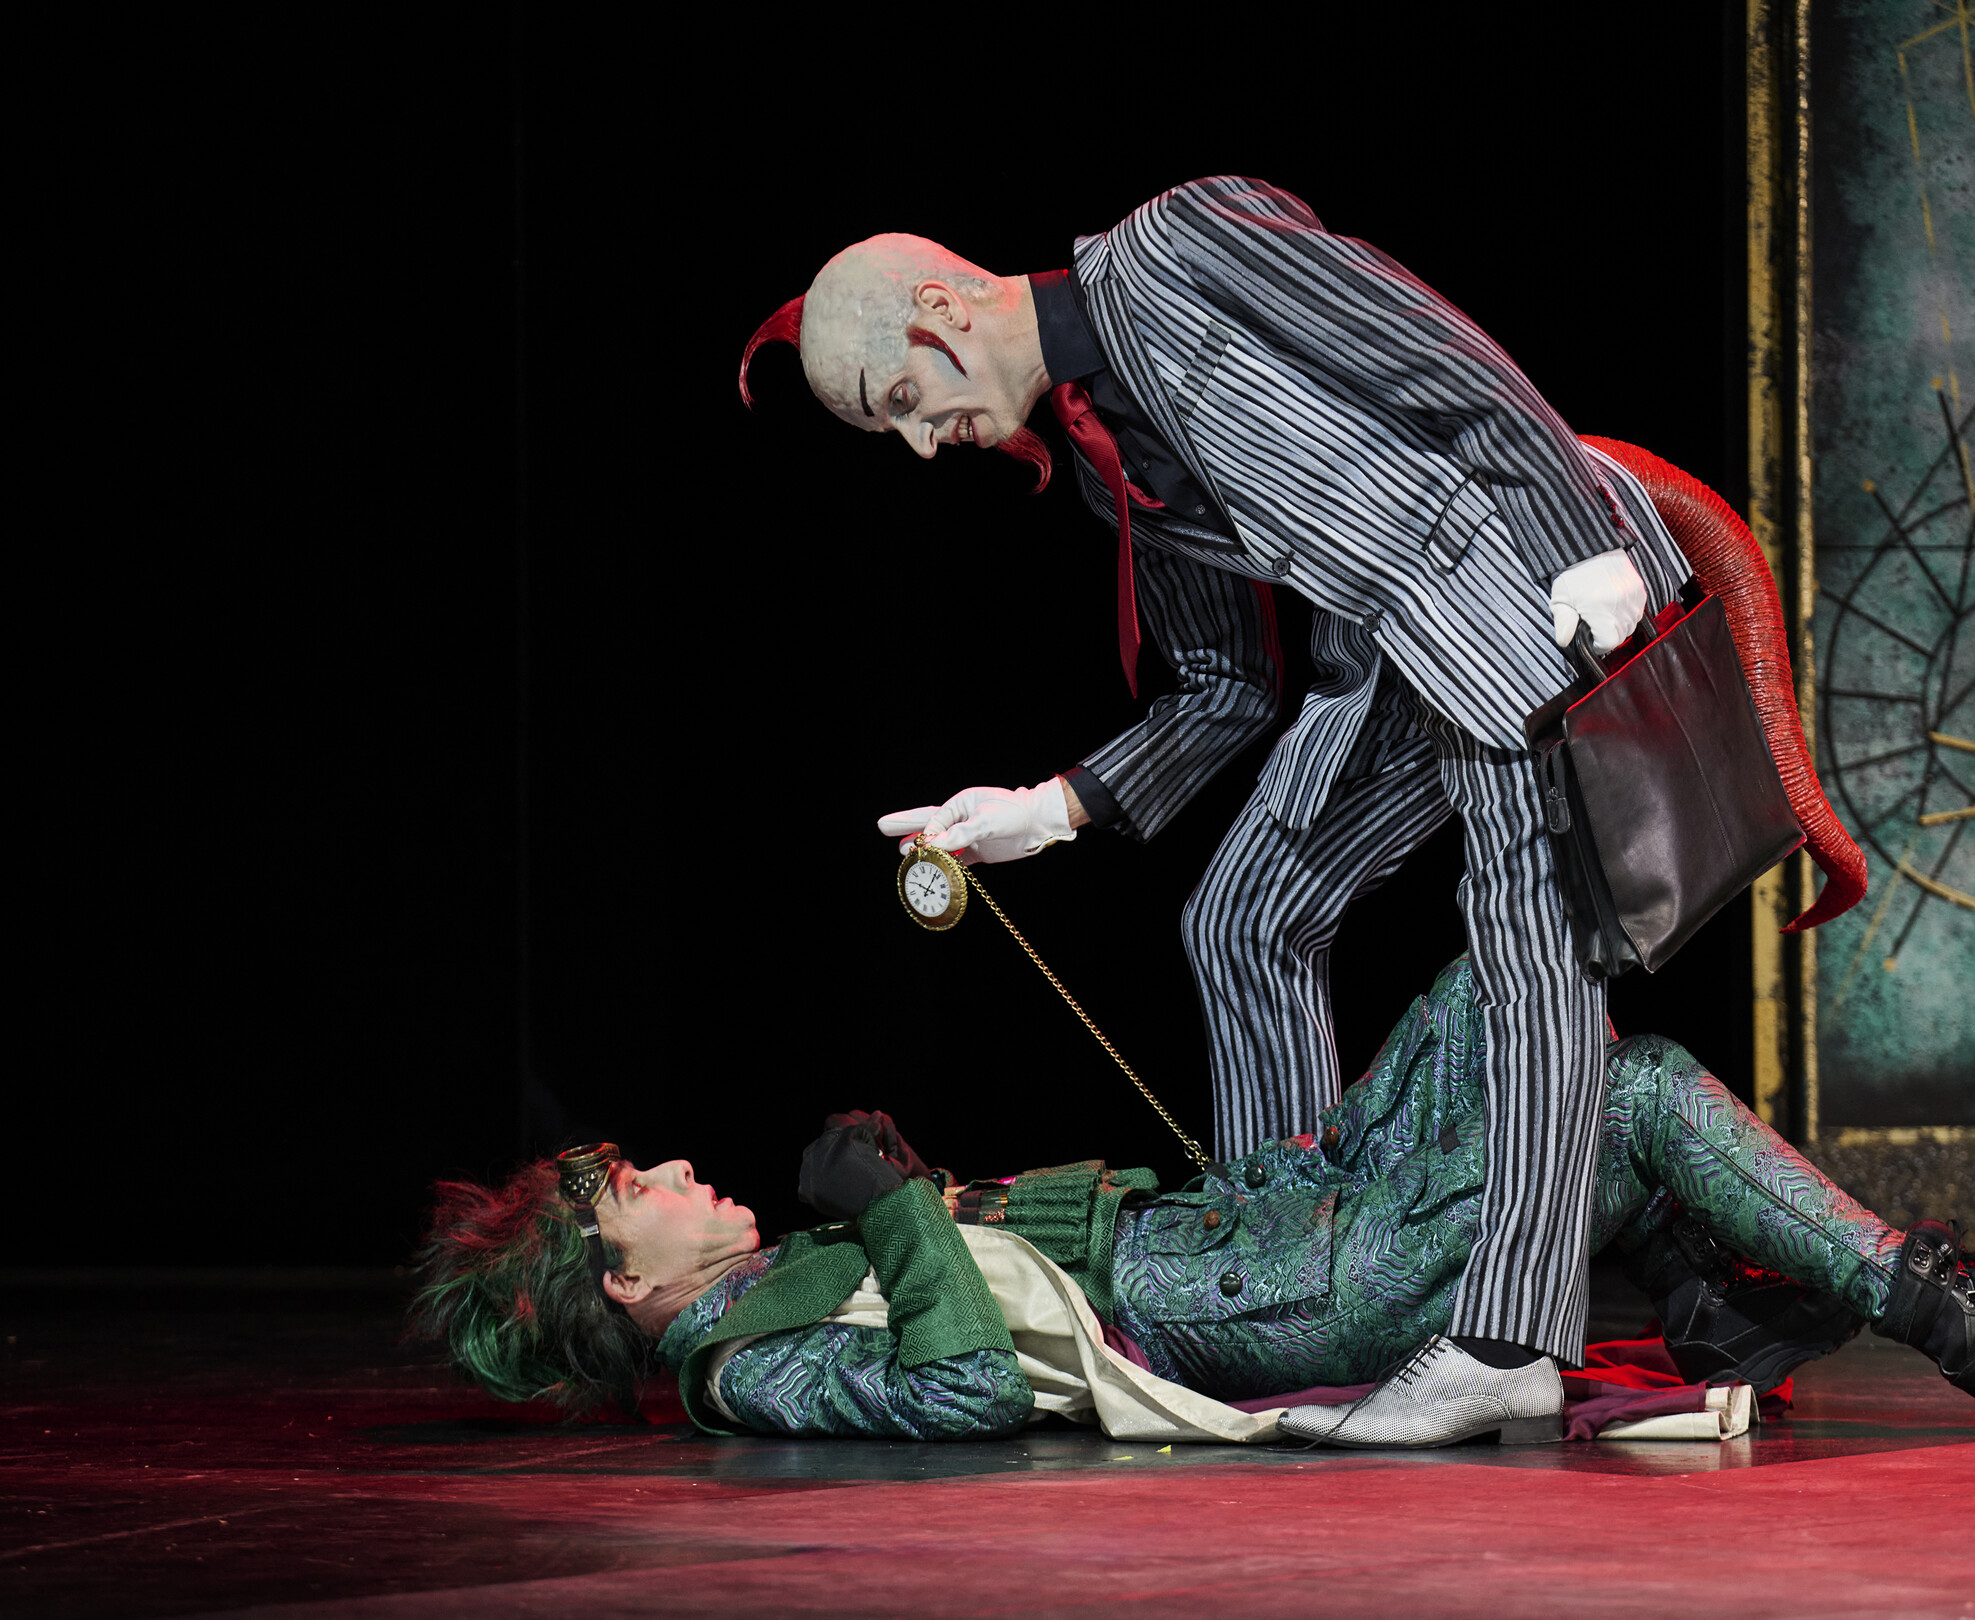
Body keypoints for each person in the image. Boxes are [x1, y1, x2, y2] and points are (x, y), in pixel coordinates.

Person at [735, 177, 1872, 1442]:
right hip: (1390, 660)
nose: (920, 443)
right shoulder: (1115, 477)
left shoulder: (1179, 241)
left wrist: (1574, 543)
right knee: (1244, 917)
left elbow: (1436, 353)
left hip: (1521, 580)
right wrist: (1045, 809)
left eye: (900, 400)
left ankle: (1504, 1341)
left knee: (1529, 943)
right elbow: (1224, 689)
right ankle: (1282, 1275)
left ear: (940, 311)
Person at [412, 959, 1975, 1446]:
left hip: (1253, 1227)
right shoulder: (742, 1371)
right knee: (1630, 1086)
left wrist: (912, 1199)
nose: (676, 1174)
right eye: (636, 1190)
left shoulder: (770, 1293)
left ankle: (1713, 1299)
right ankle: (1952, 1313)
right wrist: (905, 1212)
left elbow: (974, 1286)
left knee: (1503, 988)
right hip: (1264, 1299)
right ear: (619, 1282)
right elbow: (960, 1386)